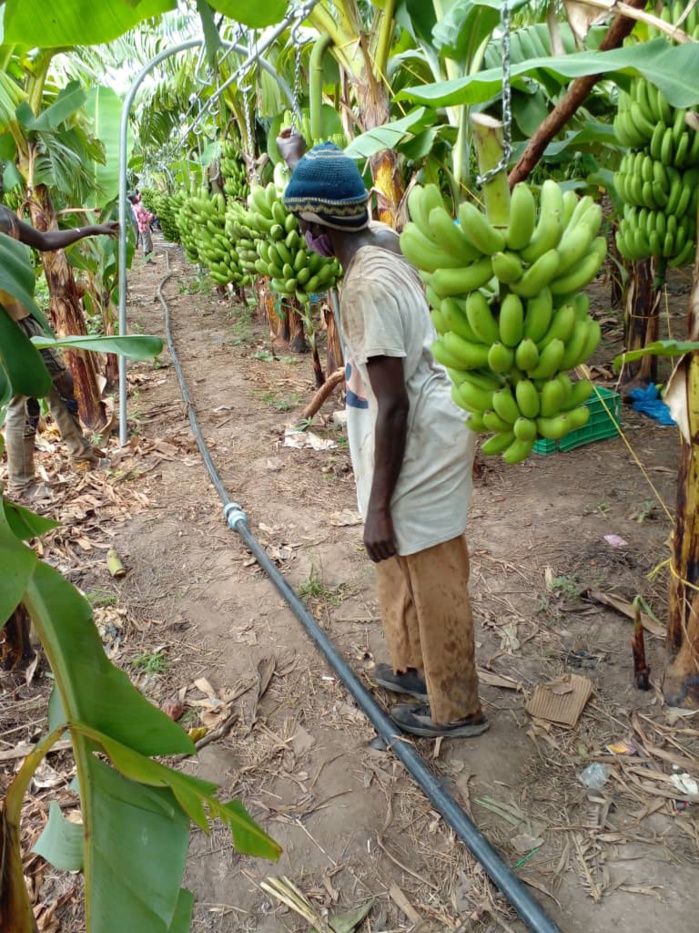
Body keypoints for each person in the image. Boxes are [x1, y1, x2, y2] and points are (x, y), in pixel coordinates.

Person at [279, 136, 487, 739]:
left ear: (320, 225)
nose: (300, 237)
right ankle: (415, 668)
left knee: (429, 562)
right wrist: (299, 162)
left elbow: (393, 405)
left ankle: (458, 707)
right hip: (400, 429)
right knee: (396, 560)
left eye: (303, 225)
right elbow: (331, 204)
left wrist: (373, 508)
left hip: (419, 432)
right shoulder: (378, 240)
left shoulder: (369, 285)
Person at [0, 203, 119, 501]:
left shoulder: (5, 214)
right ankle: (22, 485)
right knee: (22, 403)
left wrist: (90, 229)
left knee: (61, 384)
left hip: (25, 317)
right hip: (4, 327)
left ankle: (81, 455)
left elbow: (43, 240)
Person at [128, 192, 154, 261]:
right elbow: (142, 219)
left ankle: (149, 257)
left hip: (145, 226)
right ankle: (147, 260)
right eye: (134, 198)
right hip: (143, 226)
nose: (136, 198)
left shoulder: (136, 205)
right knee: (146, 243)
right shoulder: (136, 208)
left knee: (149, 242)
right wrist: (150, 217)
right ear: (132, 200)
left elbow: (143, 213)